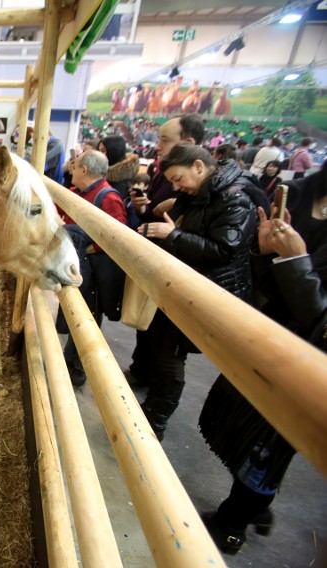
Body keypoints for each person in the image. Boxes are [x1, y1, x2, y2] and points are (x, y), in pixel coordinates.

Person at [199, 163, 327, 555]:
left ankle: (233, 523)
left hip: (309, 360)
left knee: (268, 446)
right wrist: (267, 251)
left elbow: (321, 319)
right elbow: (268, 279)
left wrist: (295, 261)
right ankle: (254, 506)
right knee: (240, 426)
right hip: (272, 335)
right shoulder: (302, 194)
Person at [136, 143, 265, 440]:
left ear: (198, 166)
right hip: (185, 282)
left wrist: (174, 235)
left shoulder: (235, 199)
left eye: (178, 179)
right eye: (172, 181)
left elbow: (224, 250)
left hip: (209, 288)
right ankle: (151, 410)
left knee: (171, 354)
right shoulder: (197, 193)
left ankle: (155, 422)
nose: (176, 186)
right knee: (162, 347)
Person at [125, 114, 205, 387]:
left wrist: (175, 235)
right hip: (159, 260)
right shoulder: (163, 173)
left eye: (165, 140)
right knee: (148, 327)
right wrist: (143, 209)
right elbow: (154, 217)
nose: (157, 145)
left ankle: (156, 408)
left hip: (181, 273)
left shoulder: (210, 193)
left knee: (168, 346)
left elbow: (218, 247)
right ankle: (140, 372)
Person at [58, 150, 128, 386]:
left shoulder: (108, 197)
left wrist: (87, 249)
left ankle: (79, 367)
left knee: (88, 316)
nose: (72, 169)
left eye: (75, 166)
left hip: (94, 270)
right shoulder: (74, 193)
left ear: (84, 170)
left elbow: (118, 238)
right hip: (76, 263)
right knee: (74, 313)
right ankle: (69, 359)